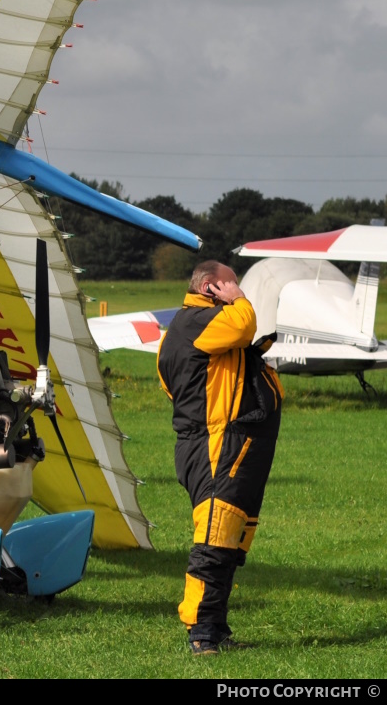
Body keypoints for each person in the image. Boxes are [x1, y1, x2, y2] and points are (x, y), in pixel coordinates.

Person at [156, 260, 283, 656]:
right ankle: (201, 633)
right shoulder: (200, 320)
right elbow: (245, 324)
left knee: (227, 536)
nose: (238, 288)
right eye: (231, 282)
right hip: (216, 445)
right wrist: (239, 300)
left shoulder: (187, 329)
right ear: (211, 286)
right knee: (214, 536)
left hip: (217, 442)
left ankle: (215, 628)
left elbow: (170, 385)